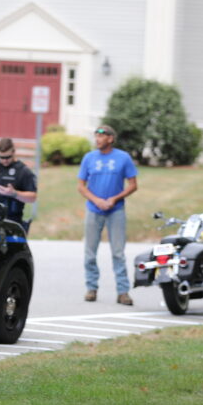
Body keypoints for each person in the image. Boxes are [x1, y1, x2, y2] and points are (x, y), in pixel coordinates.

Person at [77, 124, 138, 306]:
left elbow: (133, 184)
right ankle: (91, 288)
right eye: (96, 136)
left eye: (101, 136)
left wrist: (114, 198)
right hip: (94, 210)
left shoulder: (123, 158)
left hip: (116, 211)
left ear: (110, 138)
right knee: (90, 252)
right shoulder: (89, 158)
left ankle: (123, 292)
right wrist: (96, 200)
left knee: (118, 253)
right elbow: (81, 186)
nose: (98, 139)